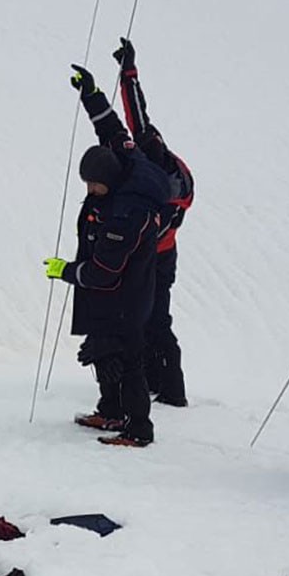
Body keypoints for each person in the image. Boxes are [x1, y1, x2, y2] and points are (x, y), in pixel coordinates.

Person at [43, 64, 174, 447]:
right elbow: (112, 128)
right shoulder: (123, 161)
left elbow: (103, 271)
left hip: (127, 296)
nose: (91, 189)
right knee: (102, 349)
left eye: (94, 185)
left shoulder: (127, 212)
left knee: (128, 358)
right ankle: (111, 410)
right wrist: (91, 94)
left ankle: (138, 429)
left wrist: (66, 271)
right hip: (111, 296)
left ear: (111, 181)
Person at [107, 38, 196, 406]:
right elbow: (136, 113)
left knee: (155, 319)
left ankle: (171, 390)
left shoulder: (172, 191)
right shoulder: (152, 151)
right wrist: (128, 70)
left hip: (157, 258)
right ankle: (152, 379)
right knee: (142, 318)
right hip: (152, 253)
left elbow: (146, 232)